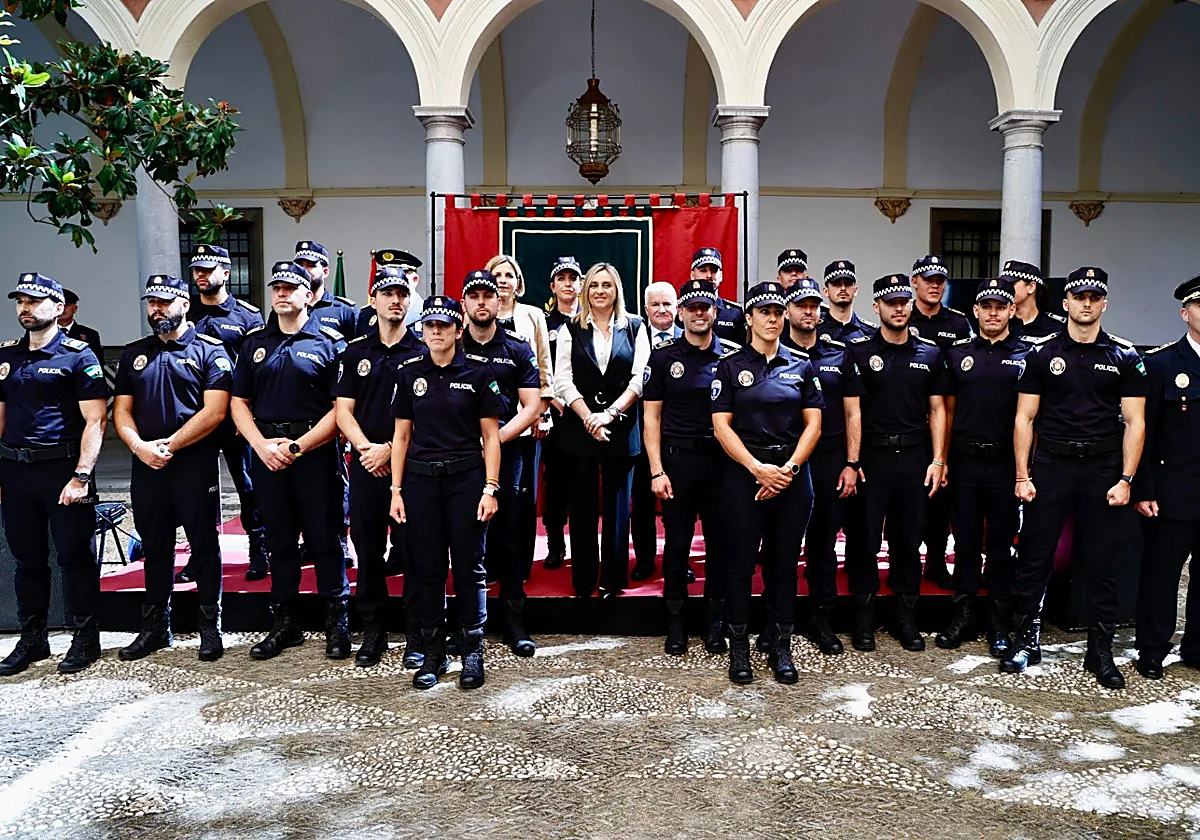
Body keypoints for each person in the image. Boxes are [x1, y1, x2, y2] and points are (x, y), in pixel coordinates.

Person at [1005, 266, 1147, 690]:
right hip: (1051, 466)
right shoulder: (1043, 354)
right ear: (1065, 303)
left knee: (1101, 563)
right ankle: (1025, 639)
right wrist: (1021, 475)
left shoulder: (1124, 355)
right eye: (1079, 296)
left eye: (1094, 297)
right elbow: (1024, 417)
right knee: (1035, 557)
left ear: (1104, 303)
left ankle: (1099, 650)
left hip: (1102, 469)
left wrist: (1126, 478)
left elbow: (1135, 422)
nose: (1086, 304)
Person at [231, 260, 350, 661]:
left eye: (291, 287)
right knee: (278, 541)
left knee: (326, 539)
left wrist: (298, 446)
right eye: (276, 287)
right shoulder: (253, 343)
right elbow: (238, 403)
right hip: (267, 455)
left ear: (308, 295)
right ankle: (285, 623)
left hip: (315, 453)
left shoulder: (331, 342)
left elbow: (341, 410)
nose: (281, 293)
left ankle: (338, 622)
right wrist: (261, 446)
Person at [112, 274, 232, 662]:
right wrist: (138, 446)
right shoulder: (134, 353)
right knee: (155, 546)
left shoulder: (210, 351)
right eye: (151, 302)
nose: (157, 309)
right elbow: (122, 412)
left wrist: (171, 445)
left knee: (204, 546)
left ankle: (210, 628)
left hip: (192, 462)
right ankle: (154, 628)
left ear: (184, 302)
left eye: (164, 301)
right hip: (146, 462)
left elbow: (215, 412)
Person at [712, 280, 823, 684]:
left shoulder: (801, 365)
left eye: (778, 312)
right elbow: (721, 427)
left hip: (792, 476)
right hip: (745, 475)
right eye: (764, 313)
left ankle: (780, 643)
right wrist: (758, 469)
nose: (773, 319)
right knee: (740, 565)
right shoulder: (730, 365)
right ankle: (739, 643)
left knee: (784, 565)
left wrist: (789, 470)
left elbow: (815, 424)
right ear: (749, 318)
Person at [390, 295, 502, 690]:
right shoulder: (408, 373)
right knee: (426, 569)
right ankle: (434, 651)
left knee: (470, 568)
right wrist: (396, 490)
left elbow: (491, 436)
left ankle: (472, 650)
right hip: (421, 483)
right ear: (422, 331)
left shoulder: (477, 372)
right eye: (429, 326)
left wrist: (491, 488)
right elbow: (401, 437)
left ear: (458, 330)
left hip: (466, 481)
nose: (436, 332)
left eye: (444, 325)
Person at [0, 273, 107, 676]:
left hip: (62, 470)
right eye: (20, 301)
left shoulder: (79, 356)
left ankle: (85, 638)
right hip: (15, 470)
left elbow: (96, 421)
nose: (25, 308)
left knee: (74, 557)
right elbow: (1, 417)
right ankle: (33, 638)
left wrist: (81, 476)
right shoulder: (6, 357)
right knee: (27, 559)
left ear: (58, 307)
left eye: (35, 301)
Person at [846, 274, 949, 653]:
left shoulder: (930, 353)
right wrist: (852, 462)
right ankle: (864, 617)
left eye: (904, 301)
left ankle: (906, 617)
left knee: (909, 540)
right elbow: (851, 413)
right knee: (865, 540)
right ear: (876, 307)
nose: (900, 308)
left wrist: (939, 459)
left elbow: (938, 409)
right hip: (872, 457)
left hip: (915, 457)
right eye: (891, 303)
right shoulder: (857, 352)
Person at [937, 278, 1035, 655]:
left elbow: (1033, 417)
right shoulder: (958, 352)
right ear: (975, 311)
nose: (993, 313)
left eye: (1000, 306)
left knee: (999, 544)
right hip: (964, 460)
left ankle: (998, 618)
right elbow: (945, 409)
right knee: (962, 541)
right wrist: (941, 459)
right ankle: (962, 613)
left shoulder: (1028, 354)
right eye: (986, 306)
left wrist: (1026, 469)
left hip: (1004, 463)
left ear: (1012, 310)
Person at [334, 265, 425, 668]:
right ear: (373, 299)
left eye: (402, 294)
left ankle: (416, 631)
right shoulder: (356, 352)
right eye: (388, 293)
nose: (396, 300)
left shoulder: (424, 352)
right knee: (368, 552)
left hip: (410, 469)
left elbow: (428, 413)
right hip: (366, 465)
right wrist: (367, 448)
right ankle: (373, 629)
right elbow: (342, 410)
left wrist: (391, 449)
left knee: (413, 552)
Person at [643, 279, 737, 655]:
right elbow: (651, 419)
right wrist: (656, 470)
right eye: (692, 307)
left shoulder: (731, 357)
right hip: (678, 462)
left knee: (719, 544)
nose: (700, 313)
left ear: (715, 311)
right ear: (680, 313)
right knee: (678, 543)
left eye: (706, 306)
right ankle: (676, 622)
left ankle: (714, 623)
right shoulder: (664, 357)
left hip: (721, 463)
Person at [553, 262, 651, 598]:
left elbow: (640, 378)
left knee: (618, 508)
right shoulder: (570, 328)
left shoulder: (636, 327)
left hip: (621, 428)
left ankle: (612, 579)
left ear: (617, 290)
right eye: (594, 285)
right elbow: (562, 379)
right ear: (585, 289)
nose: (600, 291)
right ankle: (583, 580)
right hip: (580, 428)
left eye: (607, 285)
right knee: (581, 508)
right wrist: (587, 417)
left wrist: (609, 414)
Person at [461, 270, 542, 656]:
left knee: (510, 536)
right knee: (463, 539)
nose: (481, 302)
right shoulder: (449, 346)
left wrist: (494, 440)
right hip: (459, 457)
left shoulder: (517, 348)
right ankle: (465, 623)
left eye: (487, 296)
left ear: (499, 301)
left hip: (509, 454)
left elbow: (532, 407)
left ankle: (513, 618)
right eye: (473, 296)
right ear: (464, 303)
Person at [781, 277, 864, 656]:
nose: (809, 311)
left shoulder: (839, 354)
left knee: (823, 544)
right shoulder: (774, 354)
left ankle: (821, 618)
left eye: (814, 305)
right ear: (788, 311)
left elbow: (852, 413)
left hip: (829, 460)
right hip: (784, 459)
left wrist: (851, 463)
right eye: (801, 305)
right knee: (779, 543)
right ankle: (777, 619)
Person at [178, 243, 269, 583]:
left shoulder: (248, 316)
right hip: (196, 416)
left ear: (226, 274)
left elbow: (253, 370)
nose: (200, 275)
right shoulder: (186, 315)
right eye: (196, 270)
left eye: (208, 269)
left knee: (248, 486)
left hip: (234, 418)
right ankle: (197, 554)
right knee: (196, 487)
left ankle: (258, 550)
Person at [1133, 274, 1200, 679]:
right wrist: (1143, 487)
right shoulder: (1160, 364)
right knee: (1161, 576)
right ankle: (1152, 648)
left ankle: (1196, 647)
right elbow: (1144, 432)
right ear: (1184, 313)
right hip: (1172, 493)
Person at [908, 255, 971, 591]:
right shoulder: (903, 315)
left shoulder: (958, 324)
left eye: (940, 280)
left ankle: (935, 560)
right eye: (927, 279)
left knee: (942, 500)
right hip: (912, 420)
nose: (934, 285)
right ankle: (908, 560)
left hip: (949, 421)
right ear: (914, 282)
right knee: (912, 500)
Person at [632, 280, 682, 582]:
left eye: (667, 304)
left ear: (676, 308)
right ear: (646, 308)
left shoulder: (689, 338)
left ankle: (678, 559)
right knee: (642, 501)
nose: (662, 310)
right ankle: (645, 559)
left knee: (679, 504)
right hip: (640, 432)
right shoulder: (633, 337)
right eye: (656, 305)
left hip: (677, 435)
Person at [542, 257, 581, 570]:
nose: (569, 284)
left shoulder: (591, 322)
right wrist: (555, 401)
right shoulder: (545, 323)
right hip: (558, 415)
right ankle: (556, 543)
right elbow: (542, 366)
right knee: (555, 483)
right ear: (553, 286)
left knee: (583, 483)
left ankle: (585, 544)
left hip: (588, 415)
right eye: (562, 278)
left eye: (573, 278)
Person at [357, 249, 425, 335]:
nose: (394, 279)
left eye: (401, 275)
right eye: (386, 275)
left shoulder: (428, 313)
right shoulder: (367, 314)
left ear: (414, 280)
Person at [691, 248, 744, 347]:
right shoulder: (683, 310)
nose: (709, 275)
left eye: (714, 271)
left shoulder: (734, 312)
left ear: (721, 275)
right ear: (692, 275)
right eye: (703, 271)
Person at [817, 261, 876, 344]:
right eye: (837, 284)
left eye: (848, 284)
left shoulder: (870, 333)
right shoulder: (815, 328)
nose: (843, 288)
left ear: (855, 290)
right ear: (826, 291)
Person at [1005, 260, 1066, 340]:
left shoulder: (1055, 326)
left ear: (1031, 287)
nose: (1005, 288)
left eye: (1012, 284)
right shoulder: (1000, 323)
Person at [58, 288, 104, 367]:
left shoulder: (90, 335)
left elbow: (97, 365)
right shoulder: (42, 333)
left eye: (67, 306)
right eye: (60, 305)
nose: (63, 309)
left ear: (75, 309)